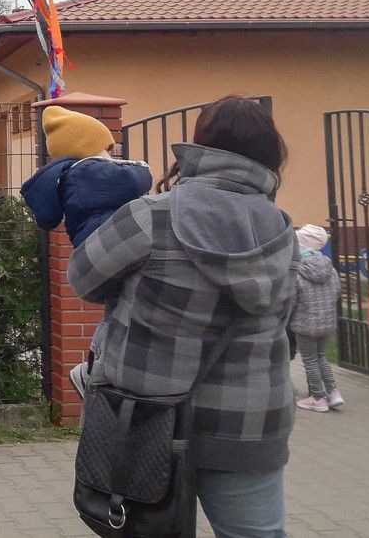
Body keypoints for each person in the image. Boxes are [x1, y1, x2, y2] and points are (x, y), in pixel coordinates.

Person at [69, 96, 296, 538]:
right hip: (252, 424)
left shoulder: (150, 217)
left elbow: (83, 278)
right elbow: (290, 319)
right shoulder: (283, 231)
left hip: (145, 418)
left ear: (201, 145)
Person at [20, 104, 152, 394]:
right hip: (114, 249)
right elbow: (138, 179)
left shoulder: (76, 178)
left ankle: (93, 368)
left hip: (98, 251)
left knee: (118, 310)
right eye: (107, 148)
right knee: (130, 309)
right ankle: (94, 370)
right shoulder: (91, 173)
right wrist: (142, 167)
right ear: (88, 149)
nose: (113, 156)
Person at [291, 224, 344, 412]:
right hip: (327, 322)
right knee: (321, 357)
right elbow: (337, 292)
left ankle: (317, 397)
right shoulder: (330, 268)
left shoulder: (298, 270)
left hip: (305, 323)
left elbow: (292, 298)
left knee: (310, 360)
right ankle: (333, 392)